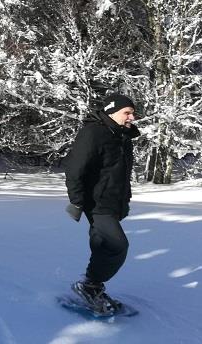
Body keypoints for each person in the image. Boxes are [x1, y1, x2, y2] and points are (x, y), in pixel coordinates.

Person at [64, 93, 140, 315]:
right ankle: (89, 285)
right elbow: (74, 169)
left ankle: (92, 286)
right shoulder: (94, 133)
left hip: (113, 202)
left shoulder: (122, 136)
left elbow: (121, 173)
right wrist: (77, 202)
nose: (132, 117)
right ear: (111, 111)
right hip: (96, 203)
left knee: (101, 245)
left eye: (132, 113)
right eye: (127, 112)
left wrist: (125, 199)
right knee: (117, 246)